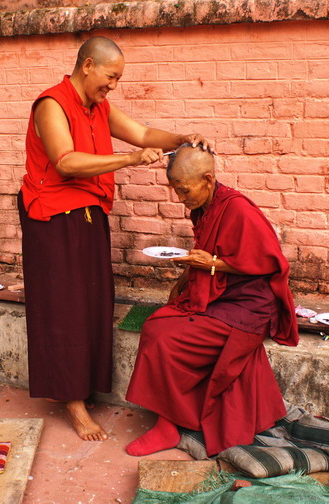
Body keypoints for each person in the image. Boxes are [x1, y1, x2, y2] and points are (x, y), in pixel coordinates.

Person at [18, 36, 213, 441]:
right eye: (111, 76)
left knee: (92, 302)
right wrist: (126, 160)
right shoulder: (51, 105)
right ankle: (71, 401)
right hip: (53, 217)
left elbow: (141, 133)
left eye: (118, 79)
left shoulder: (99, 107)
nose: (113, 86)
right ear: (88, 66)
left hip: (90, 213)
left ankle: (83, 386)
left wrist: (180, 139)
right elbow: (66, 162)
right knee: (62, 308)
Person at [125, 145, 299, 457]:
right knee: (158, 322)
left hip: (247, 307)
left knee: (164, 338)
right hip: (221, 295)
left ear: (208, 179)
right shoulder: (206, 205)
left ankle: (168, 425)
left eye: (184, 190)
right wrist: (193, 272)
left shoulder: (239, 210)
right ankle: (173, 416)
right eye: (176, 191)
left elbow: (272, 263)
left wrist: (214, 265)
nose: (181, 199)